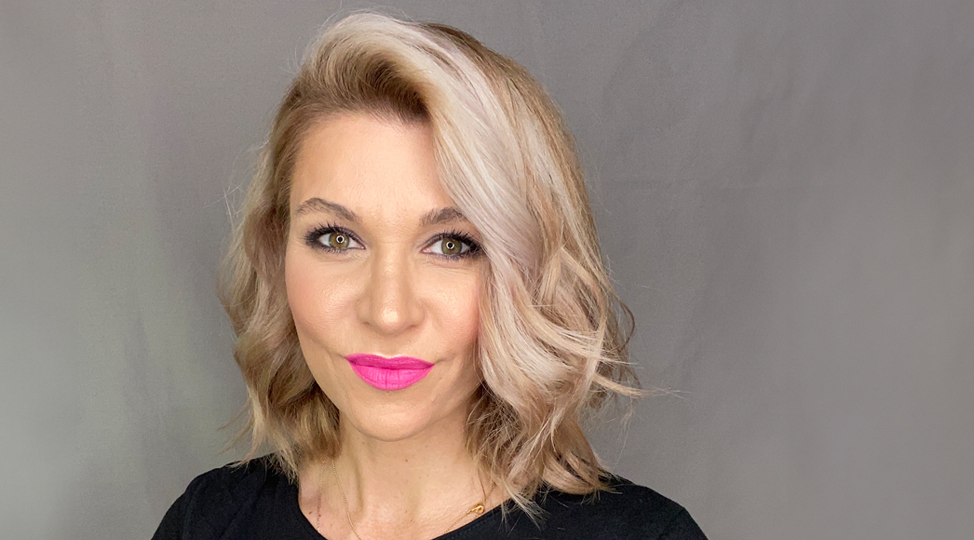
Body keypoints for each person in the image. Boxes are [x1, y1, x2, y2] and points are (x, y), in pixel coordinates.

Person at [153, 12, 706, 540]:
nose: (388, 313)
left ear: (529, 270)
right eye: (338, 238)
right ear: (278, 253)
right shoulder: (207, 523)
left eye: (451, 245)